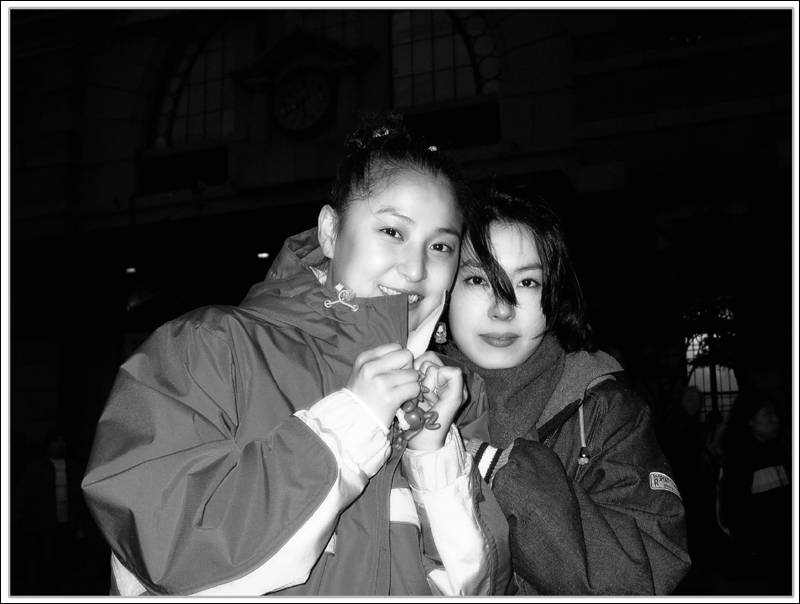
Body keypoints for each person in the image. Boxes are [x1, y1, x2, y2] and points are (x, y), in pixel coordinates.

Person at [81, 113, 511, 596]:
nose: (415, 269)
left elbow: (479, 587)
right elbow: (171, 552)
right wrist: (353, 423)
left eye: (441, 246)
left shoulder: (452, 401)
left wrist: (434, 455)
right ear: (330, 231)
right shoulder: (206, 348)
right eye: (393, 232)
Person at [430, 183, 691, 594]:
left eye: (527, 282)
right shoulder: (405, 400)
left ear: (554, 296)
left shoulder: (603, 409)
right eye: (478, 279)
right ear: (444, 291)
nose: (502, 308)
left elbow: (647, 575)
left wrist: (497, 469)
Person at [716, 390, 791, 594]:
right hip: (767, 559)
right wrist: (759, 548)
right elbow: (732, 514)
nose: (776, 419)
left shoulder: (779, 451)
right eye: (767, 414)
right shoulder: (740, 460)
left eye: (775, 413)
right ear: (749, 420)